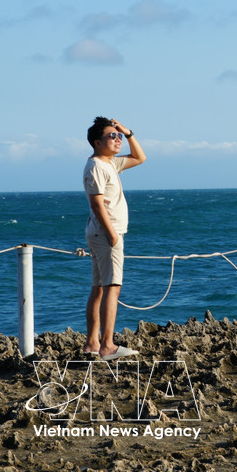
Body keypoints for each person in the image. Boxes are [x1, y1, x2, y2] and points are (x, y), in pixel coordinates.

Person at [83, 117, 146, 360]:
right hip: (107, 234)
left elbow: (140, 158)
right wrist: (112, 235)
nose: (117, 139)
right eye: (112, 135)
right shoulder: (97, 166)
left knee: (99, 288)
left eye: (118, 135)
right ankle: (107, 345)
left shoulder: (109, 163)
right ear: (97, 142)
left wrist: (128, 132)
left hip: (101, 233)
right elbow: (97, 204)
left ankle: (92, 343)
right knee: (112, 288)